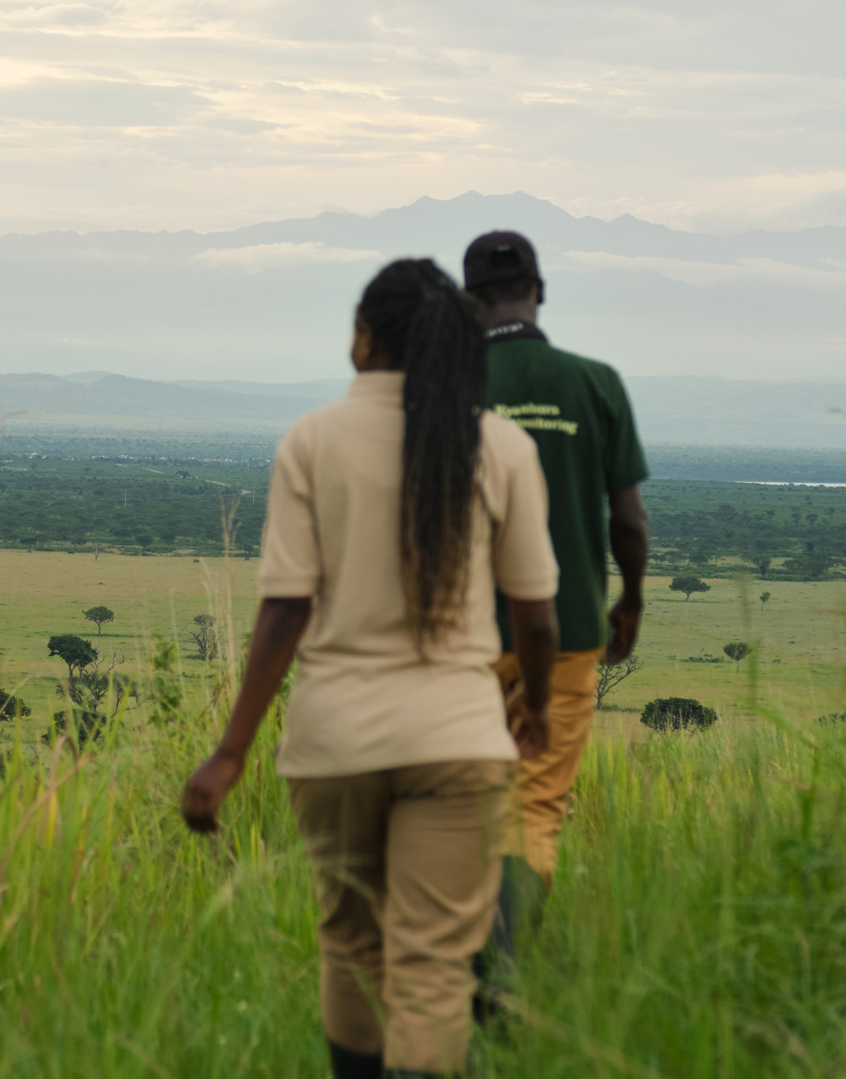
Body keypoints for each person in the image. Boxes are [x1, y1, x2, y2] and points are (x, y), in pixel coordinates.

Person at [181, 258, 561, 1079]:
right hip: (457, 738)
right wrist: (532, 704)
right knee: (432, 963)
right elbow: (536, 612)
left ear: (364, 336)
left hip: (336, 740)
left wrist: (230, 750)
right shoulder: (502, 447)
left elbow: (286, 608)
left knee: (350, 942)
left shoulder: (312, 440)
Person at [461, 230, 650, 897]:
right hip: (568, 630)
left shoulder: (447, 386)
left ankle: (456, 948)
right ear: (539, 292)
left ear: (468, 300)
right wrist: (629, 600)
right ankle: (504, 964)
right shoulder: (596, 383)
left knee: (462, 803)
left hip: (463, 633)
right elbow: (626, 518)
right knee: (534, 806)